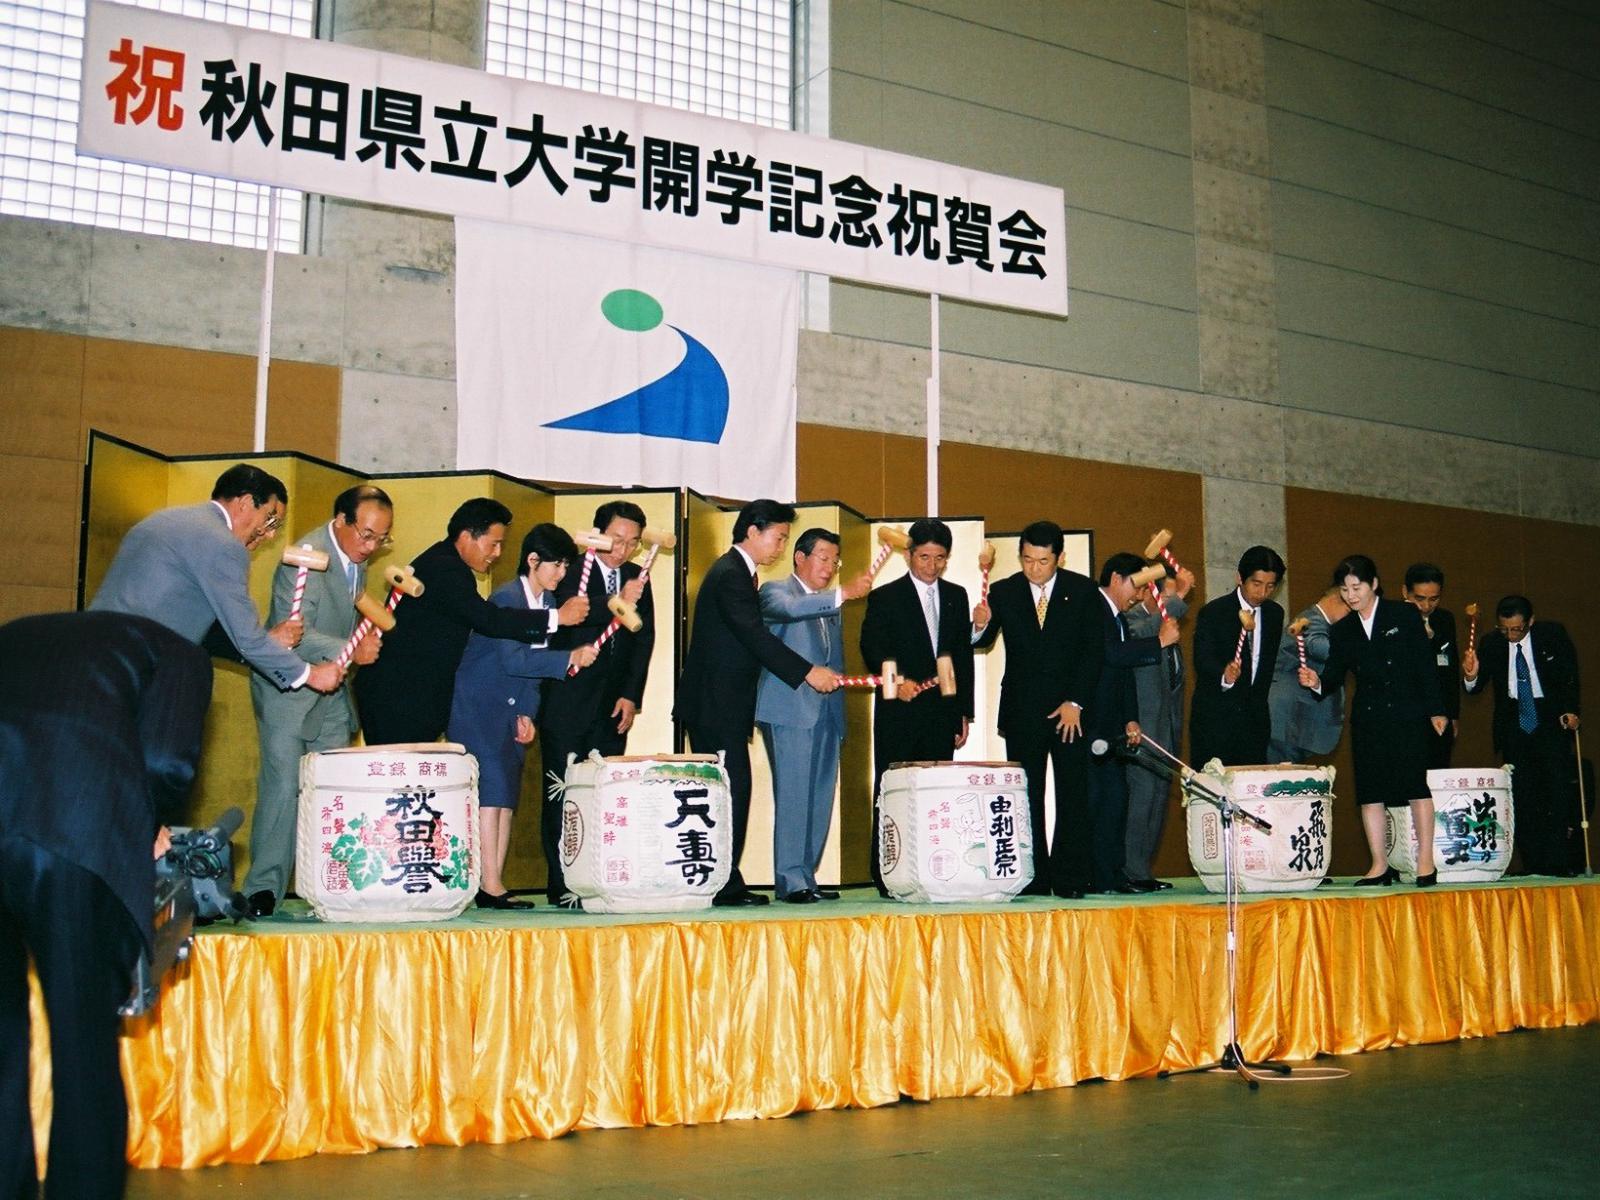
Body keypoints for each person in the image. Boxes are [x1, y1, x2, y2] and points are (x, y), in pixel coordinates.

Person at [1, 612, 212, 1200]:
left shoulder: (18, 632)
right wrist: (149, 821)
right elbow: (166, 758)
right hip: (68, 830)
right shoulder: (181, 652)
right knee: (82, 1040)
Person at [675, 500, 843, 907]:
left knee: (734, 791)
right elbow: (755, 636)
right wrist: (807, 671)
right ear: (752, 531)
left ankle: (727, 881)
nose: (781, 546)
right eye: (779, 537)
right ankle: (723, 884)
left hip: (727, 704)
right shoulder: (732, 575)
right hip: (714, 702)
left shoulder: (739, 573)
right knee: (729, 792)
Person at [241, 485, 394, 919]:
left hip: (332, 691)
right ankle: (262, 890)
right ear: (341, 520)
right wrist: (351, 649)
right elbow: (295, 632)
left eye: (381, 538)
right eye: (366, 535)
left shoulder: (356, 561)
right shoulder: (304, 557)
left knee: (332, 793)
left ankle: (327, 886)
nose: (371, 546)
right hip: (288, 691)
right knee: (283, 788)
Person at [89, 461, 343, 695]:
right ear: (245, 502)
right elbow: (246, 638)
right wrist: (309, 675)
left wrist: (267, 641)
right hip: (135, 671)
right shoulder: (223, 545)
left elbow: (178, 616)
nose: (269, 535)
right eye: (270, 520)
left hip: (92, 656)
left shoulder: (161, 520)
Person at [353, 498, 588, 745]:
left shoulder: (447, 563)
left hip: (414, 696)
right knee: (401, 769)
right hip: (399, 697)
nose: (497, 553)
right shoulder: (445, 569)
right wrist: (557, 617)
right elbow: (490, 620)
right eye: (493, 544)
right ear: (466, 536)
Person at [449, 524, 598, 909]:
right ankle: (489, 883)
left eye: (566, 566)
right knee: (491, 792)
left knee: (505, 795)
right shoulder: (507, 598)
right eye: (556, 565)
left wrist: (528, 711)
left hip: (511, 704)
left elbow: (531, 668)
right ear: (533, 560)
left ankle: (493, 882)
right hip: (479, 705)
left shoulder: (546, 602)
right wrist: (569, 657)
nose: (561, 574)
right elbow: (513, 660)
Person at [971, 520, 1103, 898]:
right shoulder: (1003, 590)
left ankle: (1070, 877)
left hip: (1069, 712)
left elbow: (1093, 651)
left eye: (1043, 561)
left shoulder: (1083, 590)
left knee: (1072, 793)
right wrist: (978, 626)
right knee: (1025, 794)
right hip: (1022, 709)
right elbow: (981, 640)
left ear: (1060, 557)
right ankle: (1032, 876)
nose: (1034, 568)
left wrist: (1075, 702)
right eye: (1027, 559)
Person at [1298, 555, 1447, 886]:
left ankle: (1425, 862)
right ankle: (1379, 865)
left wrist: (1436, 709)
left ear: (1374, 584)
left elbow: (1424, 664)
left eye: (1357, 587)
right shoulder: (1343, 629)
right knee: (1370, 792)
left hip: (1407, 714)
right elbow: (1333, 676)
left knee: (1415, 786)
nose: (1351, 595)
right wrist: (1316, 681)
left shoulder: (1403, 614)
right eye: (1344, 589)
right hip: (1369, 718)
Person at [538, 501, 655, 906]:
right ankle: (560, 882)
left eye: (633, 543)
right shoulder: (571, 570)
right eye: (616, 539)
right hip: (567, 699)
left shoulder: (638, 577)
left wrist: (631, 694)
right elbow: (568, 622)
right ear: (597, 534)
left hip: (611, 703)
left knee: (604, 793)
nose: (623, 550)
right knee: (562, 790)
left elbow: (643, 639)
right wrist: (616, 600)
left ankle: (600, 876)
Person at [860, 518, 977, 896]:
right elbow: (872, 648)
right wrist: (897, 681)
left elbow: (962, 656)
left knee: (936, 793)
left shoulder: (957, 595)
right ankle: (886, 871)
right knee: (893, 789)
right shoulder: (885, 596)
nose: (932, 565)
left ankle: (933, 867)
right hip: (900, 709)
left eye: (939, 558)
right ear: (908, 555)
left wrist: (963, 712)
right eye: (924, 557)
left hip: (941, 712)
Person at [755, 528, 871, 903]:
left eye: (835, 561)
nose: (830, 566)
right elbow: (790, 611)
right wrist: (843, 593)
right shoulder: (775, 591)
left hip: (828, 711)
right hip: (789, 709)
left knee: (820, 796)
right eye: (823, 558)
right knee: (793, 794)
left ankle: (806, 874)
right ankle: (790, 879)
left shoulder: (828, 603)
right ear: (800, 558)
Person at [1463, 595, 1582, 876]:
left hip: (1549, 719)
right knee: (1522, 796)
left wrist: (1571, 710)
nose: (1511, 635)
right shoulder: (1492, 643)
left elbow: (1570, 675)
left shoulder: (1553, 635)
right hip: (1514, 724)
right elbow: (1475, 688)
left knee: (1554, 791)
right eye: (1504, 629)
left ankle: (1558, 863)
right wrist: (1471, 675)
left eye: (1517, 629)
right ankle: (1533, 864)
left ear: (1531, 621)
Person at [1084, 553, 1175, 894]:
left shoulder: (1117, 617)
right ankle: (1096, 876)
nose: (1138, 596)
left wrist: (1131, 717)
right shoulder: (1092, 608)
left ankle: (1112, 875)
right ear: (1116, 578)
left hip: (1113, 723)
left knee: (1116, 801)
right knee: (1098, 800)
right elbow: (1108, 654)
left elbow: (1123, 676)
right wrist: (1158, 642)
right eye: (1136, 586)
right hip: (1091, 721)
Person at [1123, 561, 1194, 891]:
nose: (1170, 603)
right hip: (1142, 726)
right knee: (1141, 798)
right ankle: (1131, 870)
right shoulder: (1132, 620)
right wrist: (1179, 598)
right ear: (1148, 592)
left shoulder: (1164, 629)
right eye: (1165, 596)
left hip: (1166, 725)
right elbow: (1138, 638)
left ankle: (1143, 870)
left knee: (1158, 799)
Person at [1189, 545, 1286, 768]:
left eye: (1270, 586)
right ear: (1239, 578)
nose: (1262, 593)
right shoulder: (1214, 612)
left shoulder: (1274, 614)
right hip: (1216, 722)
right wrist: (1224, 675)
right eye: (1256, 584)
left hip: (1254, 723)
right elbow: (1202, 659)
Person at [1266, 589, 1350, 763]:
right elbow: (1318, 646)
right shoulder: (1311, 621)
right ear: (1336, 600)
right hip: (1290, 719)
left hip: (1296, 720)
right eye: (1350, 612)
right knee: (1284, 776)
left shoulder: (1314, 620)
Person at [1403, 562, 1462, 769]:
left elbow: (1451, 670)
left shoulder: (1445, 619)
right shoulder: (1392, 620)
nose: (1426, 606)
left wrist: (1453, 714)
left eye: (1434, 599)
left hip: (1441, 714)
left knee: (1439, 772)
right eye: (1419, 599)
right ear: (1405, 592)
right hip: (1406, 714)